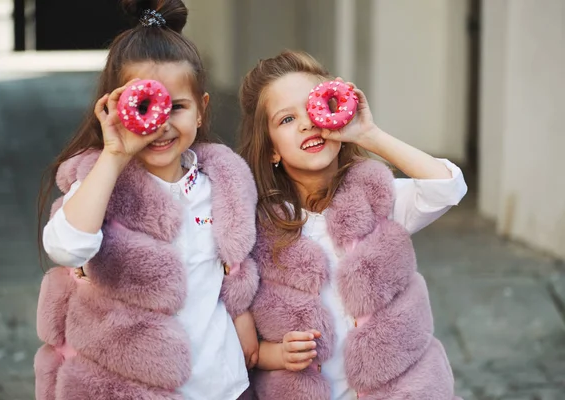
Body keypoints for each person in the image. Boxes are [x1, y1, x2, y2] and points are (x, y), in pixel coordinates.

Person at [34, 1, 259, 398]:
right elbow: (66, 248)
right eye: (144, 106)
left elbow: (233, 274)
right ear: (112, 108)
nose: (161, 123)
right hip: (131, 386)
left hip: (219, 385)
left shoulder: (220, 186)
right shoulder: (100, 184)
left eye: (177, 106)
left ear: (202, 111)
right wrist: (114, 156)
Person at [238, 50, 467, 399]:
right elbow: (241, 332)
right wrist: (274, 354)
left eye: (315, 106)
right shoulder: (258, 226)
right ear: (271, 150)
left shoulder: (376, 199)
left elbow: (447, 187)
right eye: (286, 119)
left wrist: (368, 134)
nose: (306, 123)